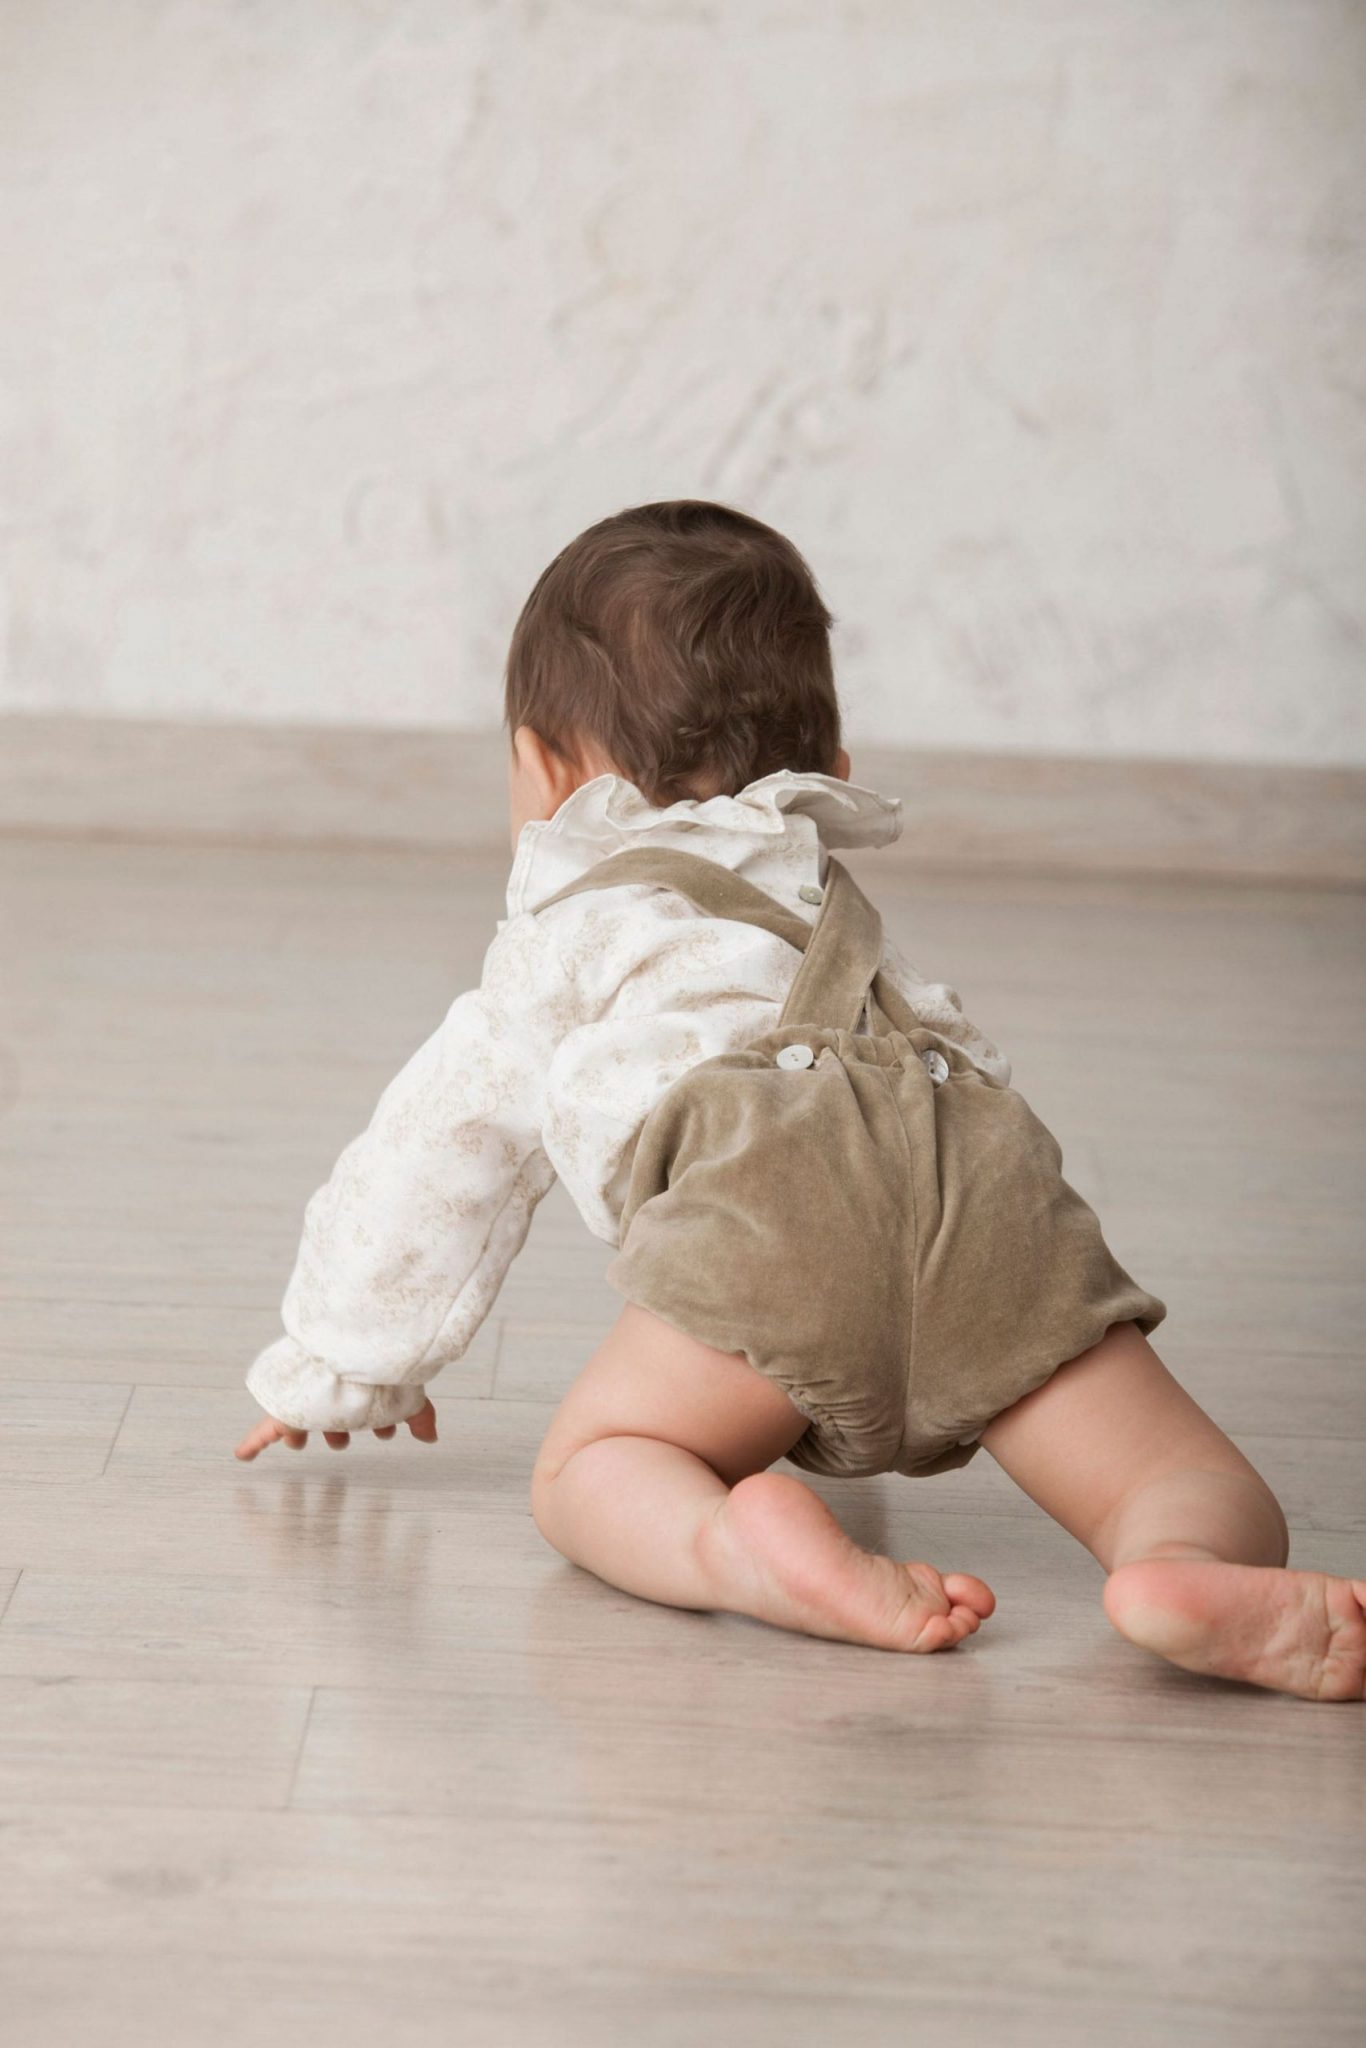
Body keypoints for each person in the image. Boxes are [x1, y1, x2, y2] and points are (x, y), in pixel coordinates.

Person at [235, 499, 1365, 1703]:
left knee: (599, 1464)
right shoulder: (809, 880)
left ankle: (737, 1549)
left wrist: (340, 1361)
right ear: (828, 772)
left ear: (538, 768)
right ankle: (1179, 1563)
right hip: (986, 1201)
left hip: (767, 1232)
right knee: (1166, 1469)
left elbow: (434, 1151)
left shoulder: (562, 943)